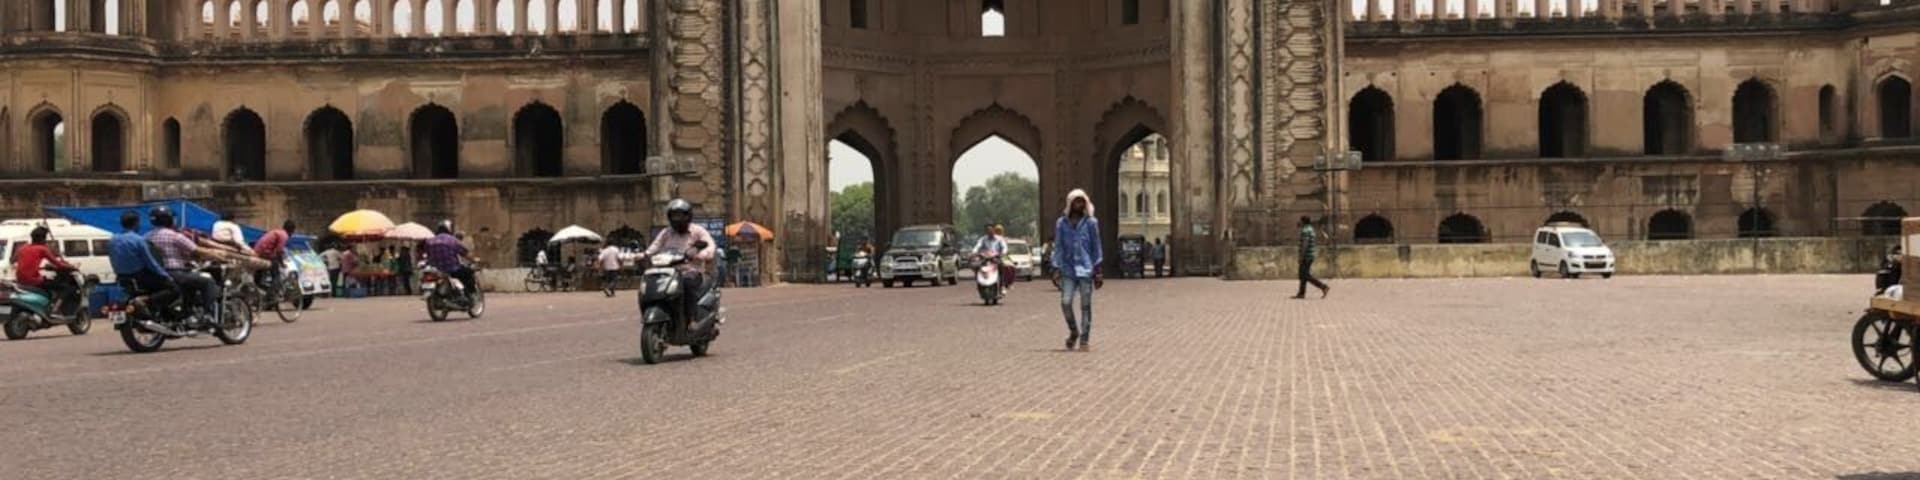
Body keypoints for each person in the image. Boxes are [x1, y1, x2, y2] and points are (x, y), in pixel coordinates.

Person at [644, 199, 718, 317]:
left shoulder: (697, 231)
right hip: (667, 271)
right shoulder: (666, 232)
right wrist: (644, 255)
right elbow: (655, 246)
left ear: (688, 216)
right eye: (674, 216)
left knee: (687, 283)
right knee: (650, 281)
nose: (677, 219)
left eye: (679, 215)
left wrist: (699, 255)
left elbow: (710, 246)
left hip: (690, 270)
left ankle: (692, 318)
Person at [147, 207, 219, 324]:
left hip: (157, 275)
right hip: (175, 273)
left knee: (191, 282)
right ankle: (208, 315)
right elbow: (196, 250)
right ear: (169, 220)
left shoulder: (146, 236)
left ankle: (187, 312)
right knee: (207, 281)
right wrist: (216, 255)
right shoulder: (175, 236)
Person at [1052, 189, 1103, 352]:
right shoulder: (1061, 223)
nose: (1079, 204)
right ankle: (1074, 331)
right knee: (1065, 302)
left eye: (1081, 201)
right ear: (1070, 203)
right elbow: (1058, 246)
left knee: (1085, 306)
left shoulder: (1091, 223)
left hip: (1086, 269)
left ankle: (1084, 340)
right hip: (1068, 269)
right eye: (1076, 201)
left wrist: (1098, 270)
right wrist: (1056, 267)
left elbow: (1096, 246)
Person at [107, 211, 178, 323]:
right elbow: (150, 262)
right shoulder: (138, 240)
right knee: (173, 289)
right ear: (136, 223)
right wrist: (165, 275)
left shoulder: (112, 240)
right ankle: (145, 300)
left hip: (121, 277)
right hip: (140, 276)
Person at [13, 226, 78, 312]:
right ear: (42, 239)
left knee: (47, 282)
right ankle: (54, 309)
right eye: (45, 238)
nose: (46, 241)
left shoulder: (23, 247)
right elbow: (58, 264)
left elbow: (14, 260)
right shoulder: (42, 249)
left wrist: (39, 267)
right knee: (66, 288)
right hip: (33, 280)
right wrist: (73, 267)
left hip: (20, 280)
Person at [423, 221, 476, 298]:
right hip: (452, 268)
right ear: (449, 229)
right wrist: (473, 260)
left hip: (435, 269)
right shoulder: (452, 240)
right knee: (468, 273)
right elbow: (464, 253)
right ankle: (471, 294)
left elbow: (427, 254)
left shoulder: (430, 241)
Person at [1292, 216, 1331, 299]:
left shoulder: (1305, 231)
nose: (1299, 222)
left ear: (1303, 221)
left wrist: (1301, 256)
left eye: (1300, 221)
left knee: (1305, 275)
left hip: (1306, 256)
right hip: (1310, 255)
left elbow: (1305, 245)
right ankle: (1301, 293)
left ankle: (1323, 287)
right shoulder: (1311, 229)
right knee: (1303, 274)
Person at [253, 220, 294, 297]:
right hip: (265, 253)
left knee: (260, 272)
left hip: (257, 251)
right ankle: (270, 296)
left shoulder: (276, 231)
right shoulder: (284, 235)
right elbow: (279, 251)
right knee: (276, 275)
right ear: (291, 230)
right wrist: (282, 263)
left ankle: (257, 287)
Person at [972, 224, 1011, 294]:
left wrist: (1003, 253)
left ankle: (1002, 286)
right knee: (976, 266)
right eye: (988, 230)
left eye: (991, 230)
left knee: (1002, 267)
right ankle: (979, 285)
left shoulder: (999, 239)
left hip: (996, 258)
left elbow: (1004, 247)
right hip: (985, 258)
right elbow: (977, 246)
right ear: (986, 231)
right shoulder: (983, 239)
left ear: (994, 230)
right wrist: (974, 252)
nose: (989, 231)